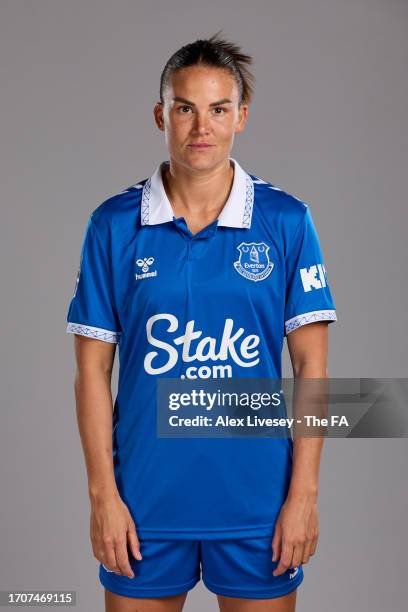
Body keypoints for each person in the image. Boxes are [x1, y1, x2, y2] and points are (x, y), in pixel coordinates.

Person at [65, 33, 337, 612]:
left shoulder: (286, 220)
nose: (200, 127)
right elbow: (92, 374)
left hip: (258, 504)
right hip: (143, 504)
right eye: (185, 108)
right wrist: (102, 498)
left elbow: (312, 365)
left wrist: (303, 497)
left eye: (217, 109)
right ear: (162, 113)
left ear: (241, 116)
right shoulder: (113, 225)